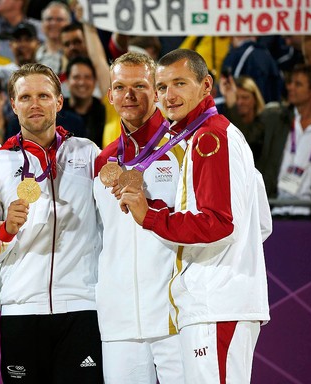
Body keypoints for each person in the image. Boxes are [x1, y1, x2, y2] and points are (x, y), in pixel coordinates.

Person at [119, 49, 271, 384]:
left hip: (216, 304)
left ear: (205, 85)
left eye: (179, 83)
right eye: (161, 87)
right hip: (219, 301)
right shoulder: (210, 135)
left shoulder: (209, 138)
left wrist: (150, 217)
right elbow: (261, 222)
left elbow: (220, 222)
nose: (168, 96)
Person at [0, 63, 103, 383]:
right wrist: (5, 231)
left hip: (82, 306)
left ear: (59, 102)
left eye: (44, 96)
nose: (35, 104)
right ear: (13, 104)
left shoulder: (88, 154)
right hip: (21, 309)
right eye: (26, 97)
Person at [93, 52, 184, 383]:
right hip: (120, 320)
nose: (128, 96)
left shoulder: (184, 149)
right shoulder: (102, 161)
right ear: (110, 95)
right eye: (119, 87)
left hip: (175, 316)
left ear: (157, 92)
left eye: (140, 86)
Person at [259, 64, 311, 217]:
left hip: (308, 214)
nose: (290, 87)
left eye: (298, 84)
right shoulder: (279, 121)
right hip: (276, 211)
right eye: (290, 83)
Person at [218, 75, 266, 159]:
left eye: (245, 97)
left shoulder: (264, 122)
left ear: (255, 99)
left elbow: (246, 145)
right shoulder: (223, 121)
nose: (240, 102)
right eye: (236, 98)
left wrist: (233, 107)